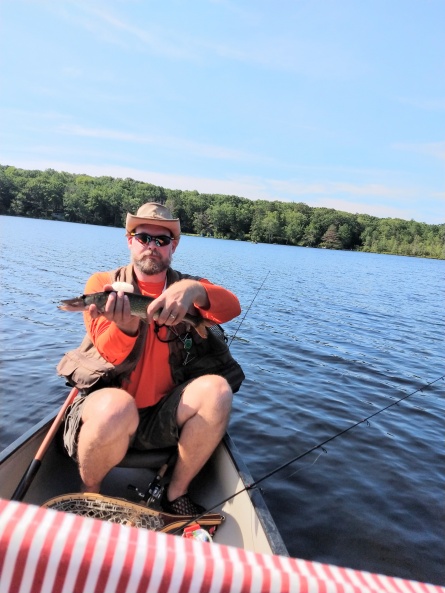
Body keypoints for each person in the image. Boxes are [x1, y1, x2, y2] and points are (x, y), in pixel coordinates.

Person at [58, 202, 244, 516]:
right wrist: (127, 324)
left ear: (174, 246)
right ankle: (91, 496)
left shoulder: (188, 290)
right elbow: (109, 352)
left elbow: (232, 309)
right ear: (130, 239)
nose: (152, 247)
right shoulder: (101, 285)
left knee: (217, 391)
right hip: (108, 414)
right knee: (116, 408)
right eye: (144, 237)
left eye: (161, 240)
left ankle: (176, 494)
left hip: (163, 417)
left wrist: (194, 290)